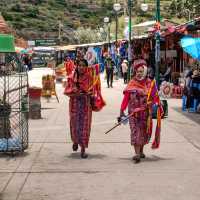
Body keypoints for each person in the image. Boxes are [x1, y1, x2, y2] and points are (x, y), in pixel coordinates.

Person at [119, 59, 163, 164]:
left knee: (143, 133)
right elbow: (126, 98)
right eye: (137, 71)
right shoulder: (132, 83)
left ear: (145, 72)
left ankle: (141, 151)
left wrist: (158, 105)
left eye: (141, 72)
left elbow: (155, 97)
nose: (139, 74)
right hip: (133, 113)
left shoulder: (150, 84)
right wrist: (121, 110)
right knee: (135, 132)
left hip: (145, 114)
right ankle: (137, 154)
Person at [64, 59, 105, 158]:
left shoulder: (90, 78)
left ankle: (83, 149)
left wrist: (90, 93)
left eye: (83, 66)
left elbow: (94, 90)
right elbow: (67, 90)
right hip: (74, 105)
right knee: (74, 125)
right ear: (77, 66)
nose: (81, 67)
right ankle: (75, 141)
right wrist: (75, 92)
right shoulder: (71, 78)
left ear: (86, 67)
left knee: (85, 127)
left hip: (86, 106)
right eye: (79, 65)